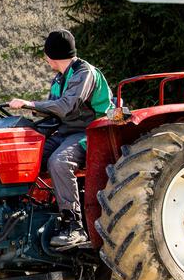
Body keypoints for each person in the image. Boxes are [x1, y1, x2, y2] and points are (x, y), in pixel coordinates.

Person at [8, 29, 113, 248]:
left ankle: (74, 226)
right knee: (26, 156)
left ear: (51, 56)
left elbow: (65, 107)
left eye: (46, 54)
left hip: (92, 132)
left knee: (59, 161)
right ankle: (22, 214)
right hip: (66, 132)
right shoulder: (60, 78)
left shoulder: (85, 74)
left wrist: (30, 104)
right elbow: (53, 115)